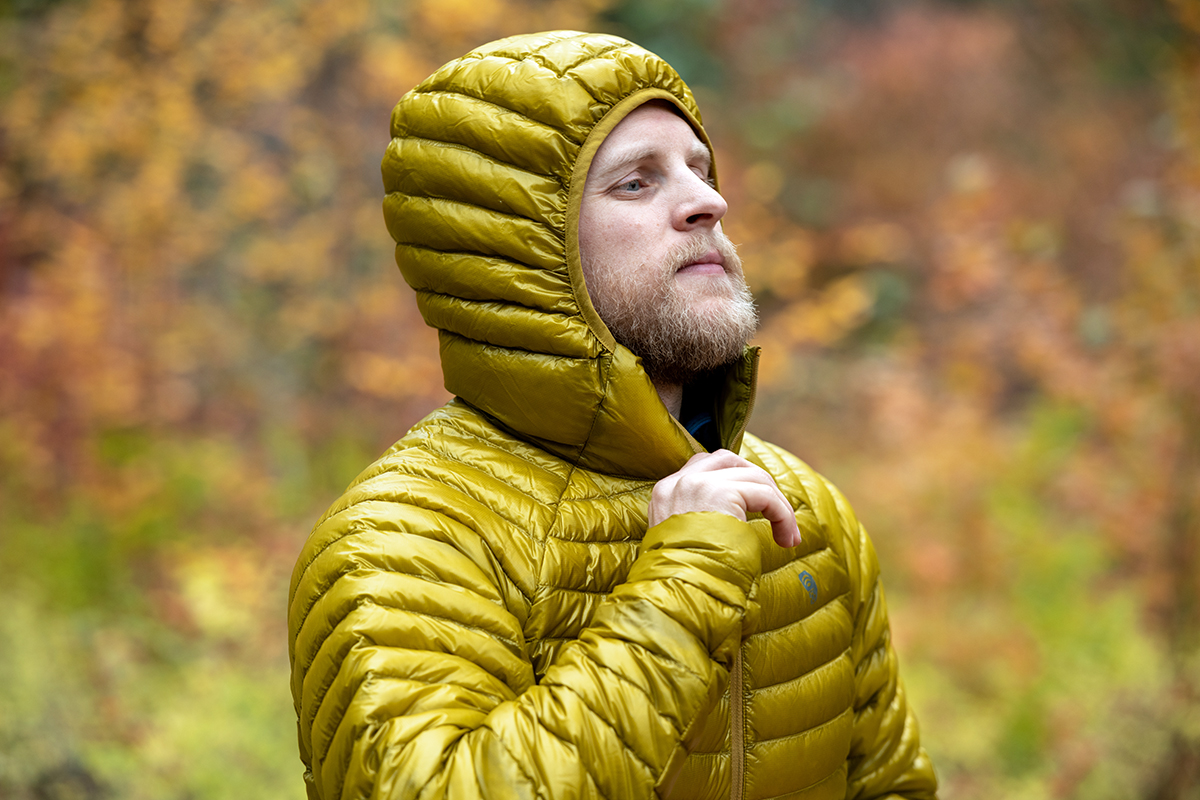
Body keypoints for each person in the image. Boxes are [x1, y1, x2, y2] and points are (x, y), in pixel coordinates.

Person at [288, 30, 938, 800]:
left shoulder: (803, 508)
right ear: (526, 253)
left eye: (699, 170)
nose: (708, 202)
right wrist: (685, 580)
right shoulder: (404, 539)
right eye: (636, 183)